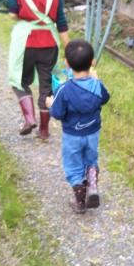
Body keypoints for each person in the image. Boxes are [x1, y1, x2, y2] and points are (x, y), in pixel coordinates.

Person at [8, 0, 69, 139]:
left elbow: (13, 14)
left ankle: (29, 118)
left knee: (18, 80)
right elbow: (60, 20)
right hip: (49, 43)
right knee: (46, 85)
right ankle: (43, 130)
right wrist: (68, 50)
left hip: (25, 43)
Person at [46, 40, 110, 213]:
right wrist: (97, 79)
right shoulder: (97, 85)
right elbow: (105, 98)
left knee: (73, 165)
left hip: (72, 136)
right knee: (90, 159)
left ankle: (80, 202)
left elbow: (57, 113)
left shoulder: (64, 89)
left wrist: (50, 104)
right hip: (92, 132)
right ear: (92, 62)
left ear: (67, 63)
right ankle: (92, 184)